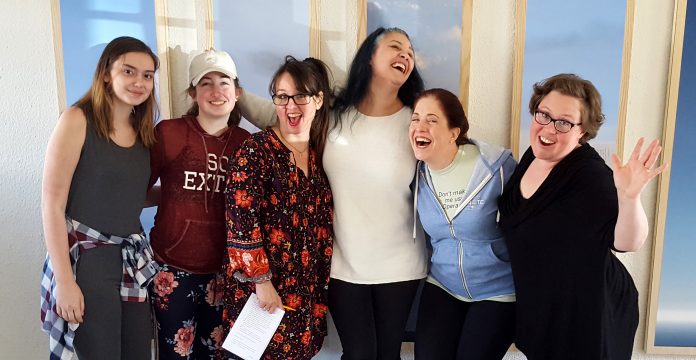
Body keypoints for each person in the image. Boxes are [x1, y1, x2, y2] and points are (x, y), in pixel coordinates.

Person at [238, 27, 427, 359]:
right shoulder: (332, 116)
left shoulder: (416, 121)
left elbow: (451, 151)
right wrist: (227, 90)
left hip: (401, 264)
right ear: (370, 56)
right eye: (396, 46)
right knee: (359, 354)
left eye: (410, 51)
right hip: (341, 264)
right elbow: (283, 116)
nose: (406, 54)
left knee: (388, 354)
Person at [498, 73, 668, 360]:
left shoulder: (590, 176)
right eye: (543, 115)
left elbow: (628, 243)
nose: (549, 128)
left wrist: (629, 198)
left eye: (564, 122)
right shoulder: (532, 156)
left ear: (583, 131)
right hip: (546, 307)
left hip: (589, 312)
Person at [40, 36, 160, 360]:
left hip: (130, 262)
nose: (139, 82)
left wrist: (183, 195)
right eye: (129, 71)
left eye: (148, 75)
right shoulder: (77, 120)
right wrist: (65, 281)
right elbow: (52, 204)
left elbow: (129, 195)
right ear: (107, 73)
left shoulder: (144, 131)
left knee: (138, 353)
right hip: (87, 263)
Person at [223, 56, 334, 359]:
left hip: (305, 294)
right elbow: (241, 222)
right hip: (264, 292)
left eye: (300, 96)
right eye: (282, 96)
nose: (290, 106)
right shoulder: (256, 150)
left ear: (319, 100)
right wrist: (261, 282)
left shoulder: (320, 156)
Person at [147, 49, 250, 359]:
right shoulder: (169, 133)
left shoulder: (247, 143)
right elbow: (136, 190)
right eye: (205, 83)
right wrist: (175, 195)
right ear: (193, 93)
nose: (216, 91)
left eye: (224, 83)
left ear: (237, 93)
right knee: (175, 354)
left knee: (217, 354)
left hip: (225, 273)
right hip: (173, 269)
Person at [410, 88, 516, 359]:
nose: (420, 126)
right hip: (443, 284)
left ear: (453, 132)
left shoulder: (496, 168)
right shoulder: (416, 174)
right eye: (415, 118)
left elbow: (528, 222)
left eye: (432, 120)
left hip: (497, 291)